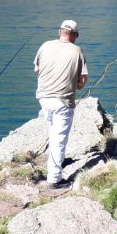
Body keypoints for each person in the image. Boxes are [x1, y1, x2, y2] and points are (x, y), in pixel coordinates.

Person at [33, 19, 88, 189]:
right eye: (77, 35)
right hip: (62, 100)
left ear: (60, 32)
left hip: (43, 97)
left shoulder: (45, 45)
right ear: (74, 35)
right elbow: (82, 80)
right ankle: (54, 179)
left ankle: (57, 161)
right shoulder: (76, 51)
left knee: (52, 129)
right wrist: (76, 86)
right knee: (59, 138)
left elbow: (36, 69)